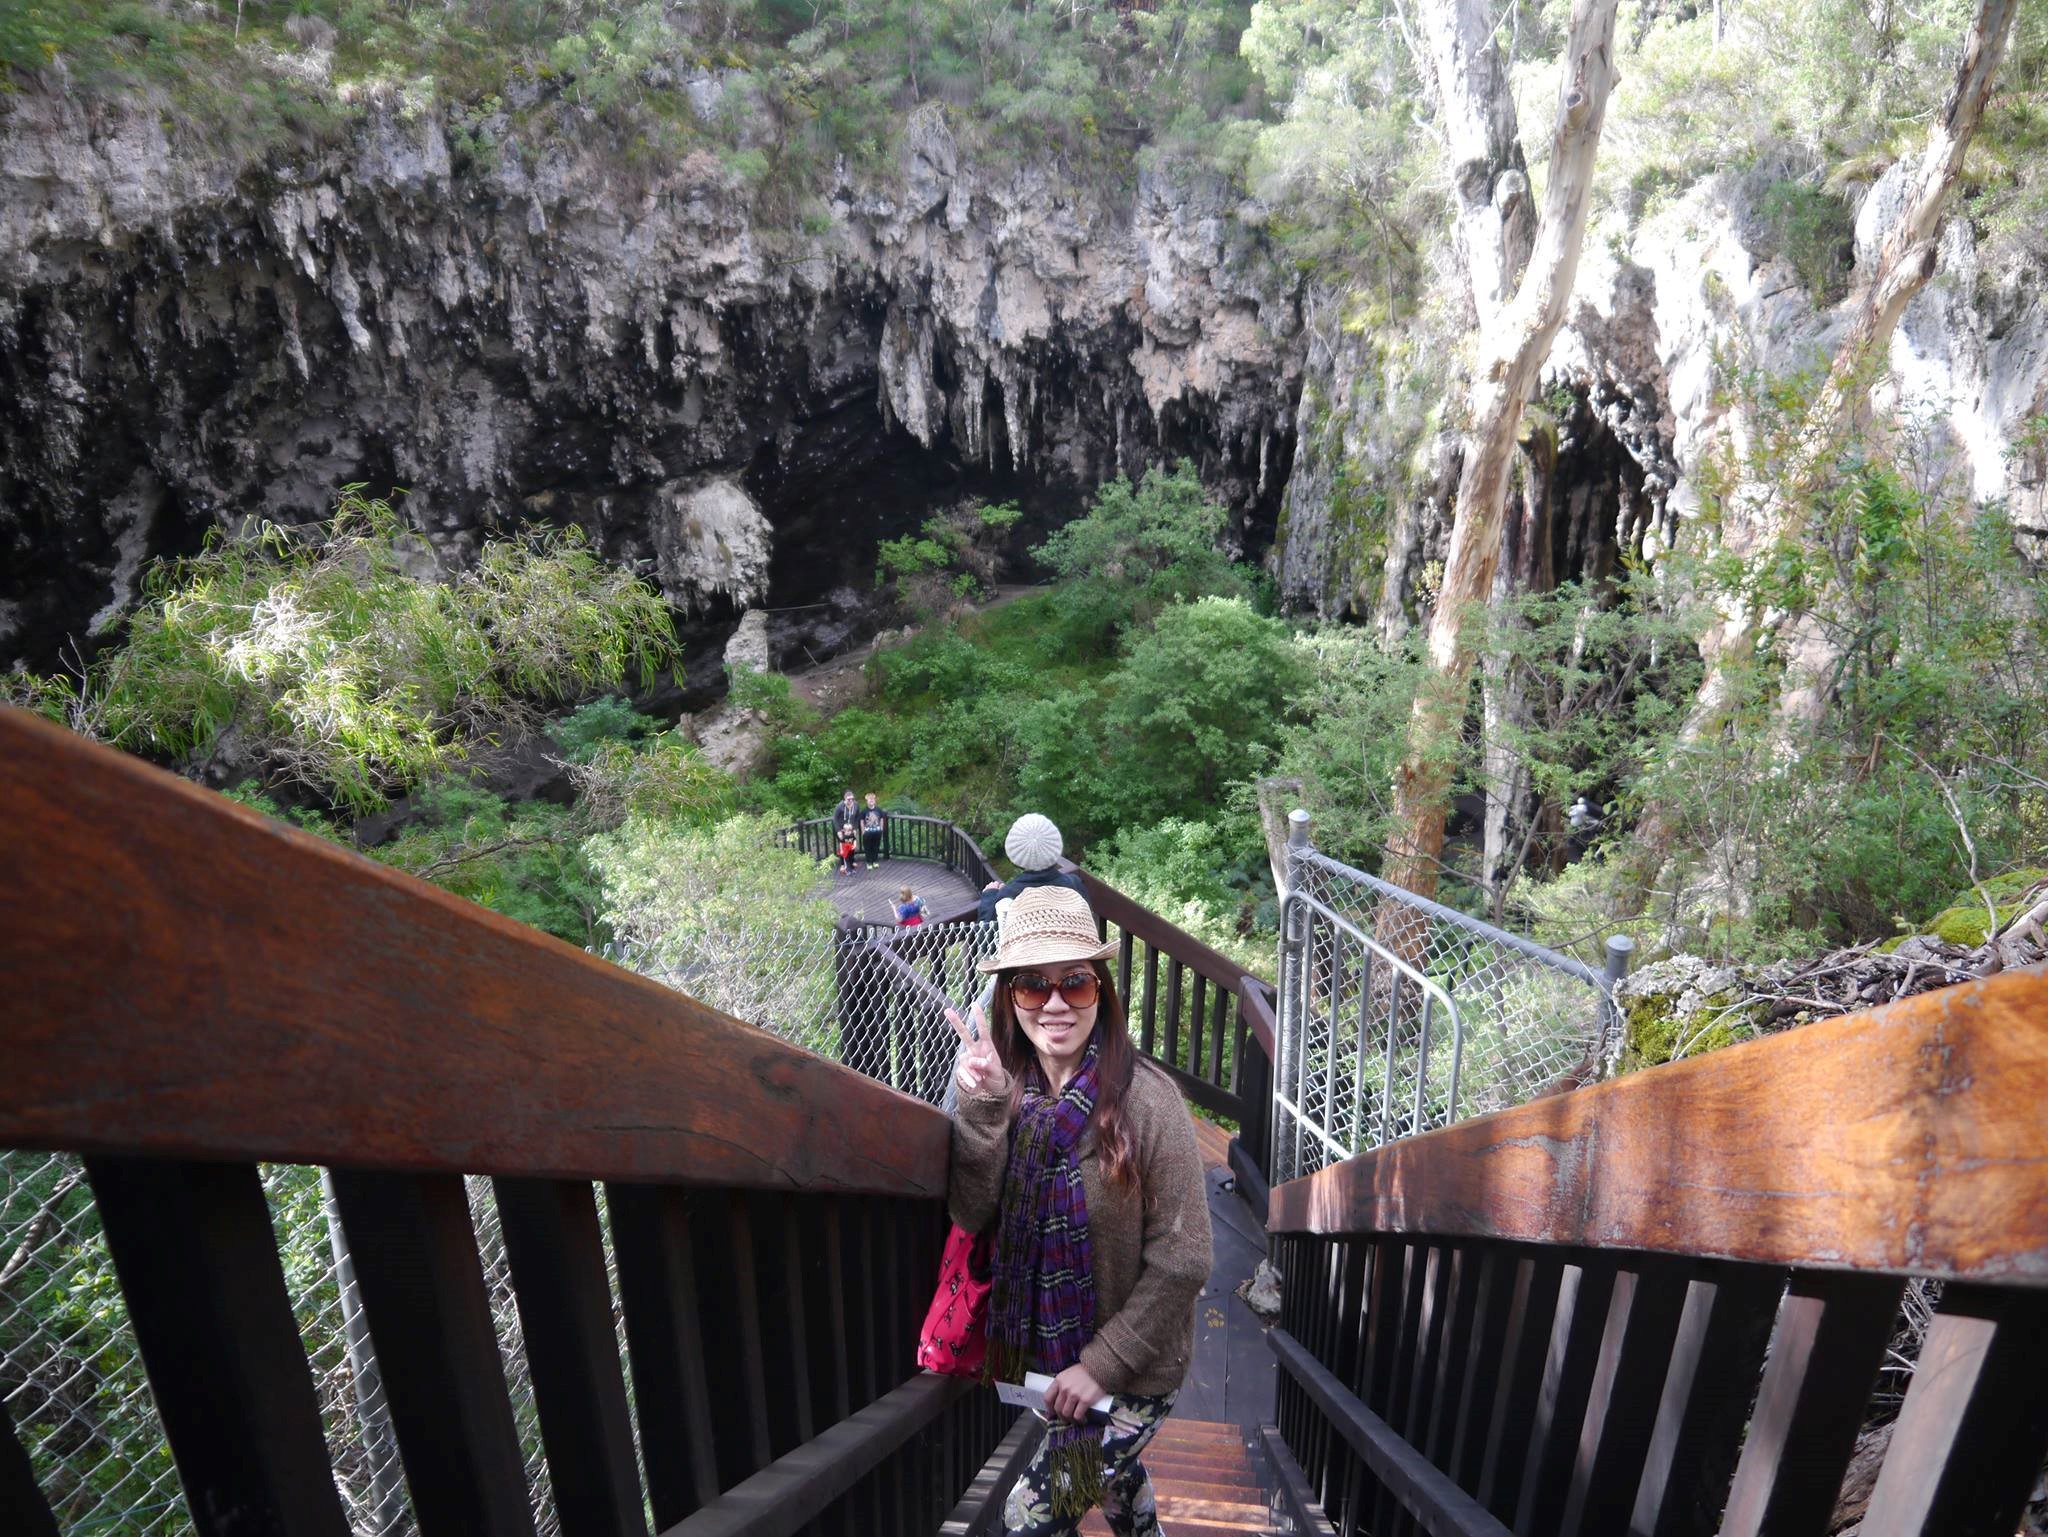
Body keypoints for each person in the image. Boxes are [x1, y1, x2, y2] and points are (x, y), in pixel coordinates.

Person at [945, 887, 1211, 1537]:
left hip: (1134, 1374)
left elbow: (1186, 1256)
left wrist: (1099, 1367)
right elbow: (973, 1212)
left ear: (1102, 991)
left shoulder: (1150, 1102)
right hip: (1044, 1365)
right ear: (1009, 996)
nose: (1056, 1002)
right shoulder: (1007, 1090)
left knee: (1027, 1516)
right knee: (1116, 1484)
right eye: (1033, 986)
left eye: (1075, 983)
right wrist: (980, 1110)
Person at [978, 814, 1090, 923]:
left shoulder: (1009, 894)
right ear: (1055, 848)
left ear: (1015, 854)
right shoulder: (1074, 884)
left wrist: (990, 895)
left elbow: (984, 935)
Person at [861, 792, 888, 869]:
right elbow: (862, 821)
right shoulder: (864, 811)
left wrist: (881, 828)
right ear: (867, 801)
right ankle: (869, 862)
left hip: (877, 832)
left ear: (875, 800)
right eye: (870, 799)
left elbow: (882, 818)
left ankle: (875, 861)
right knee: (868, 847)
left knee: (876, 847)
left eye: (873, 799)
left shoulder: (879, 810)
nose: (871, 800)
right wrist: (863, 831)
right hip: (867, 833)